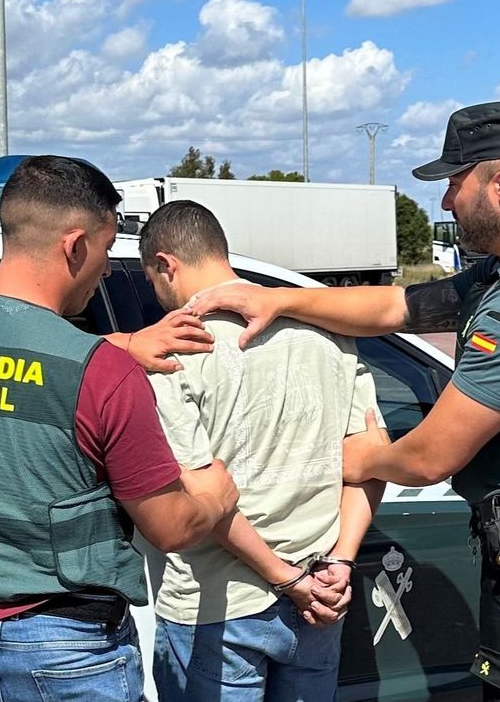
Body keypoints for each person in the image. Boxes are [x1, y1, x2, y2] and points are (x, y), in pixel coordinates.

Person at [190, 101, 500, 702]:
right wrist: (279, 301)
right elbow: (398, 308)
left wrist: (359, 462)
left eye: (455, 185)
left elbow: (431, 457)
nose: (445, 203)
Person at [0, 155, 240, 702]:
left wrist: (120, 342)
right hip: (68, 653)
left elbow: (7, 363)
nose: (105, 269)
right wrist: (216, 499)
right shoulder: (102, 375)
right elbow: (171, 527)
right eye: (105, 251)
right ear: (75, 245)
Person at [136, 200, 385, 702]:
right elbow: (370, 462)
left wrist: (286, 579)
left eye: (151, 282)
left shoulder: (175, 350)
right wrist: (339, 561)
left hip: (217, 606)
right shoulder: (330, 335)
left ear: (166, 265)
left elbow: (198, 493)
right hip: (321, 595)